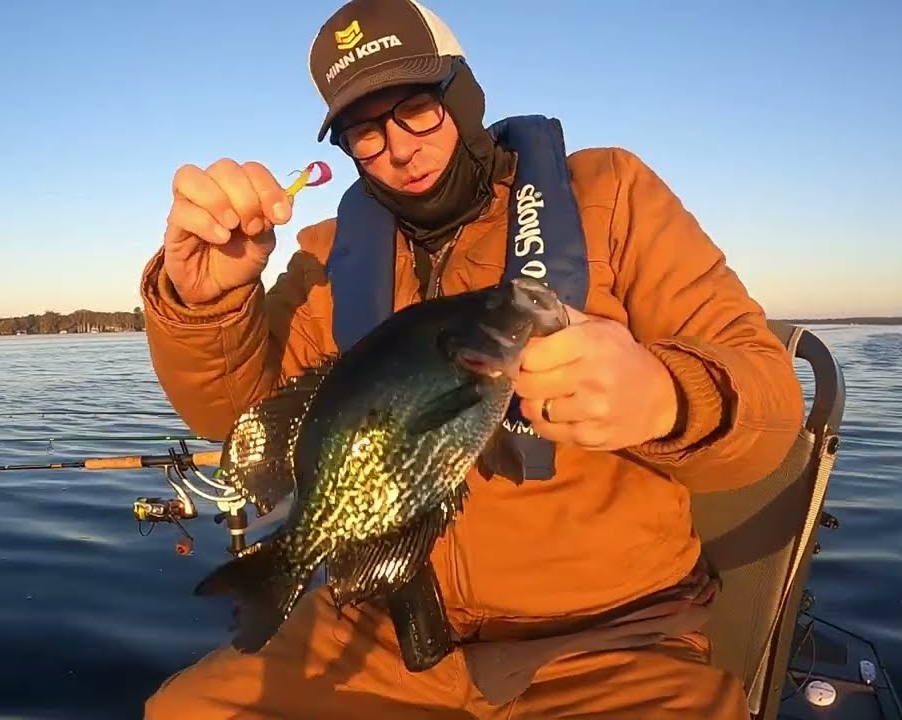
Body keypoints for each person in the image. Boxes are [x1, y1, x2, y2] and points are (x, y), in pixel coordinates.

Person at [138, 0, 805, 717]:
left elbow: (768, 397)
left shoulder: (610, 195)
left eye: (417, 109)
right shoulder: (327, 258)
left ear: (462, 95)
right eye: (364, 129)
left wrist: (668, 397)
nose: (398, 147)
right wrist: (203, 301)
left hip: (609, 646)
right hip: (377, 634)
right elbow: (238, 420)